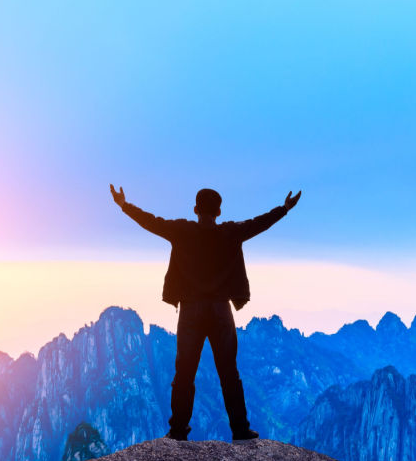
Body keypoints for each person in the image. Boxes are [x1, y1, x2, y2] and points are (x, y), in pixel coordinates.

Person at [109, 184, 301, 441]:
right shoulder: (230, 232)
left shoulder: (181, 230)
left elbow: (150, 222)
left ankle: (178, 430)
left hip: (190, 312)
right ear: (219, 211)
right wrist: (284, 209)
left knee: (184, 373)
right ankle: (240, 429)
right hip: (221, 312)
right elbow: (259, 224)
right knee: (229, 373)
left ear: (195, 209)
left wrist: (124, 205)